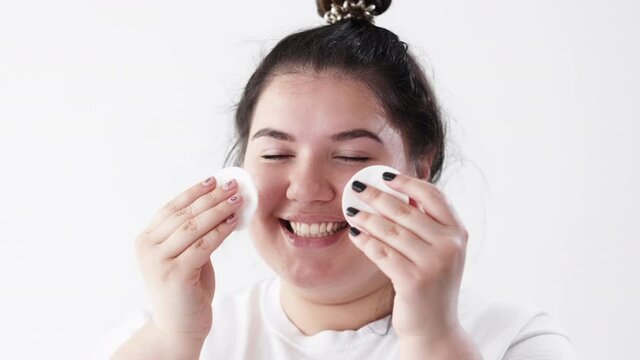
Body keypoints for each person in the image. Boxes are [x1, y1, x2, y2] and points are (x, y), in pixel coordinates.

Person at [100, 1, 577, 359]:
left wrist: (432, 336)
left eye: (349, 155)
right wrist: (174, 338)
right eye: (276, 152)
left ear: (419, 170)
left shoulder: (515, 340)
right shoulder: (168, 333)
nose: (306, 188)